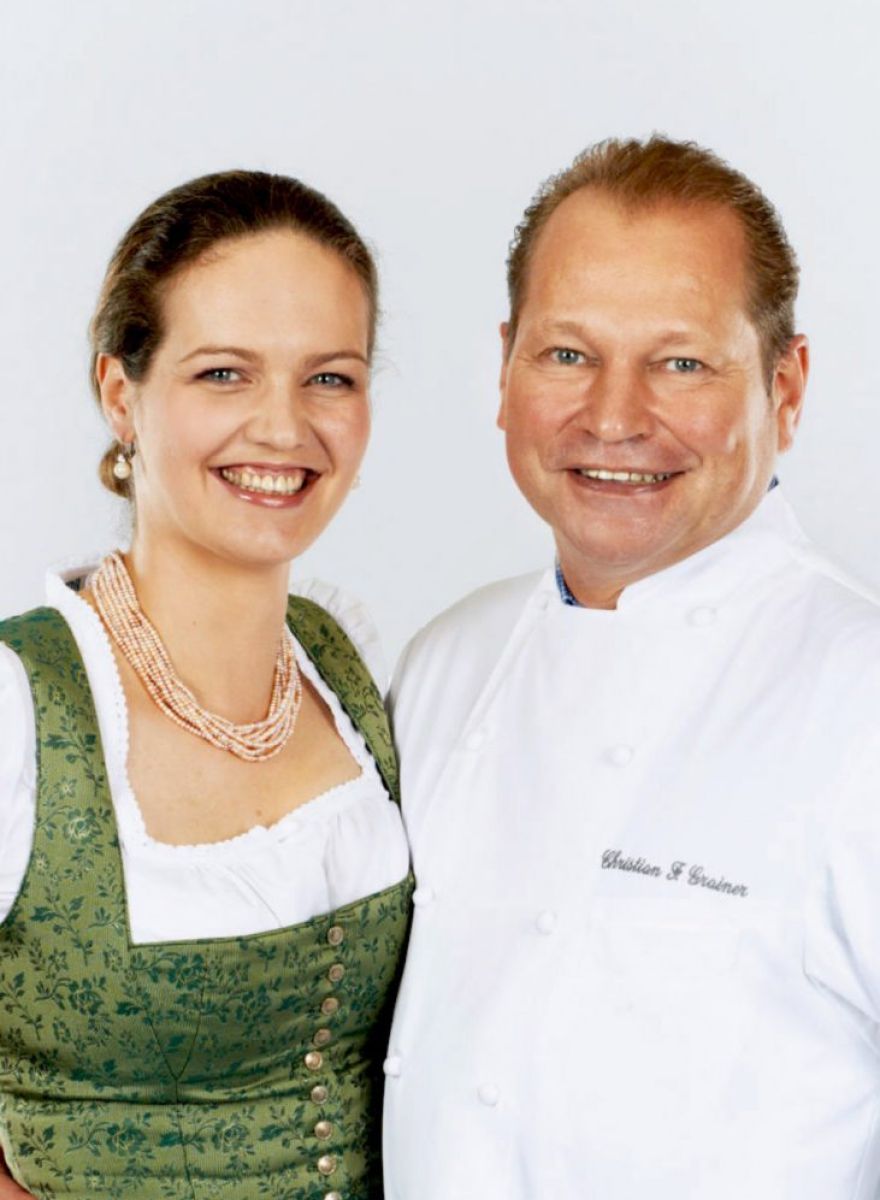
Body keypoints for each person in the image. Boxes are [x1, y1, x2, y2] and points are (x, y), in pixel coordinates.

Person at [383, 136, 880, 1199]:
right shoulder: (443, 667)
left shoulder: (861, 698)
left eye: (681, 362)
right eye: (567, 354)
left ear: (786, 386)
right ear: (505, 370)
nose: (613, 418)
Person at [0, 170, 411, 1199]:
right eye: (224, 373)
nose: (283, 427)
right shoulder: (21, 703)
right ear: (120, 394)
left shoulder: (347, 666)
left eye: (330, 378)